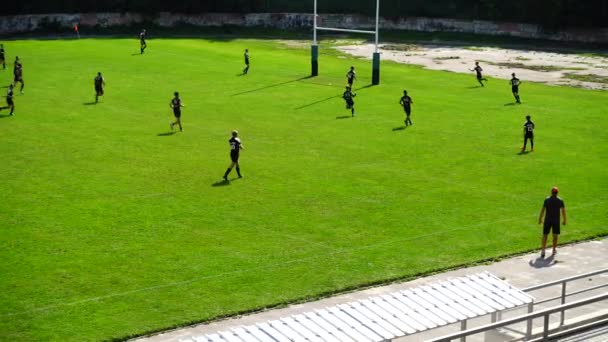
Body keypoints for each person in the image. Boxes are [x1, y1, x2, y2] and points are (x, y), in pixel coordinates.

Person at [538, 186, 567, 258]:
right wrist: (564, 220)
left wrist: (540, 218)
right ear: (557, 193)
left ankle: (543, 251)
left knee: (545, 235)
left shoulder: (547, 200)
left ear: (551, 192)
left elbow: (543, 210)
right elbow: (563, 211)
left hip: (547, 220)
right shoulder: (560, 200)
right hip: (556, 221)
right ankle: (554, 250)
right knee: (555, 236)